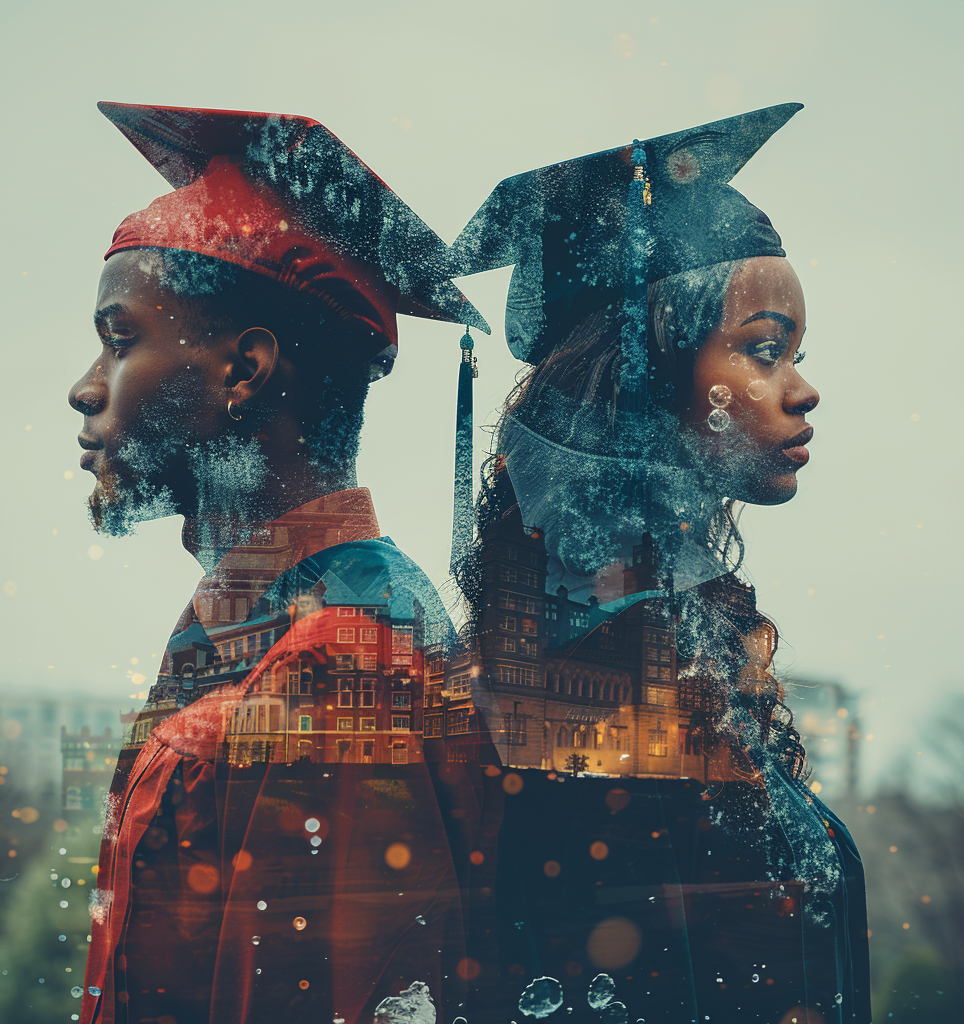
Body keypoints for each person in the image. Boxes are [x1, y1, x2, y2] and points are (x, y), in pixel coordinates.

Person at [444, 105, 870, 1023]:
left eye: (795, 353)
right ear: (647, 375)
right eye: (763, 350)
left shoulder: (681, 640)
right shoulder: (589, 671)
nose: (803, 388)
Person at [69, 101, 490, 1024]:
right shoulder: (277, 623)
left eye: (119, 337)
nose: (86, 387)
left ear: (244, 372)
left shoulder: (342, 663)